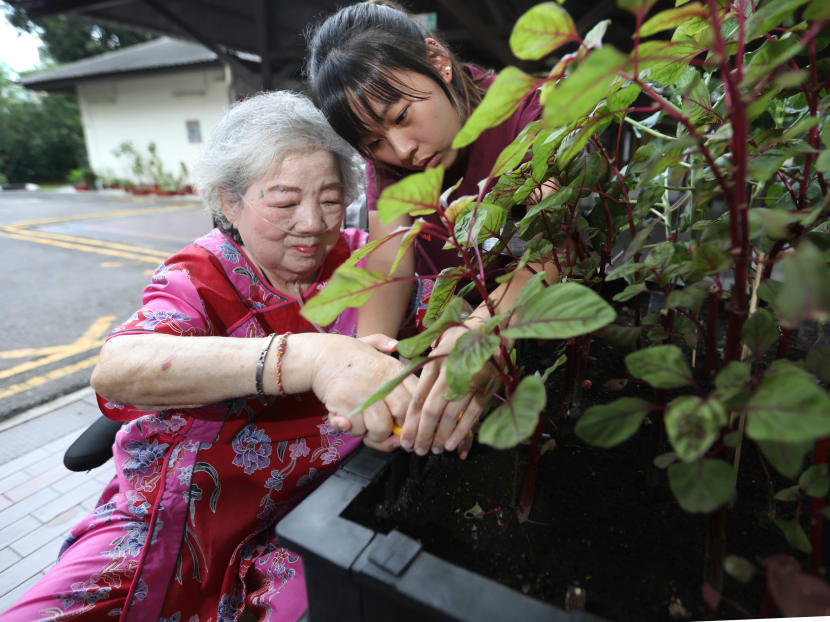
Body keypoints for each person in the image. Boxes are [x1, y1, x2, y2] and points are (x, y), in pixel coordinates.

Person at [0, 91, 416, 622]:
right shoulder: (197, 277)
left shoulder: (366, 263)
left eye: (331, 199)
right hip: (173, 511)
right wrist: (307, 356)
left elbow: (455, 311)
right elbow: (118, 370)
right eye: (285, 203)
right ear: (229, 201)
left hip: (301, 518)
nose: (313, 222)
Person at [307, 2, 559, 460]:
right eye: (373, 143)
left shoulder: (528, 112)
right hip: (454, 333)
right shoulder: (389, 160)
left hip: (538, 333)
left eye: (401, 116)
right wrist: (370, 364)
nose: (400, 150)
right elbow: (388, 259)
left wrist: (482, 332)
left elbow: (551, 252)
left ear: (438, 62)